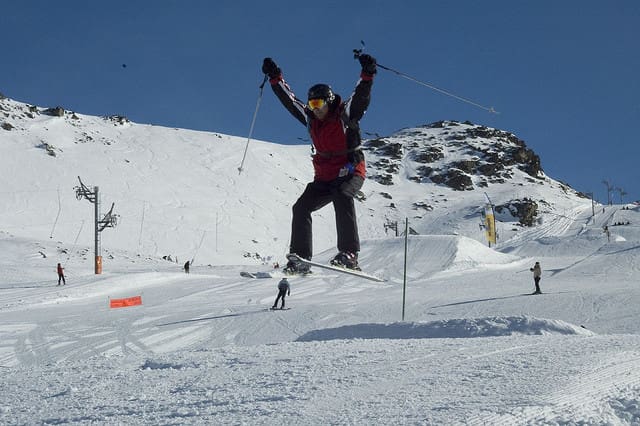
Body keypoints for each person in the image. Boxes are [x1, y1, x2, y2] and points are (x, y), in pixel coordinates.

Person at [261, 53, 377, 274]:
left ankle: (350, 254)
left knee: (343, 196)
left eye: (318, 103)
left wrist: (367, 74)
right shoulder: (310, 118)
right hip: (324, 177)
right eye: (312, 104)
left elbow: (360, 97)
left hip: (350, 171)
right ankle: (301, 259)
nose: (315, 108)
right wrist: (275, 77)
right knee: (301, 207)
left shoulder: (344, 114)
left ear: (329, 101)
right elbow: (289, 100)